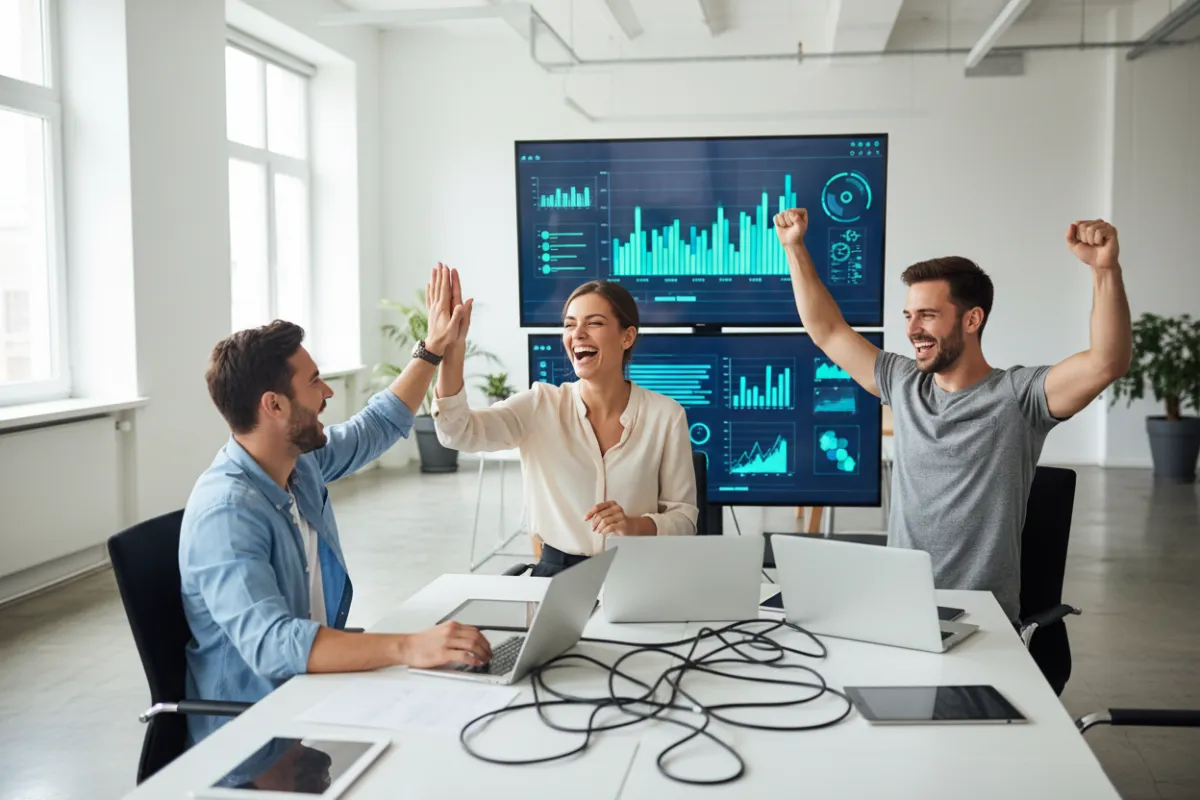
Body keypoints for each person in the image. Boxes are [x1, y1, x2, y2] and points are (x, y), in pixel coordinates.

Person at [180, 264, 492, 746]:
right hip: (254, 732)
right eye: (315, 382)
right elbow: (270, 644)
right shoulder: (226, 512)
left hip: (313, 692)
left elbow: (375, 427)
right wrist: (409, 647)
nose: (328, 393)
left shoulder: (296, 465)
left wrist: (432, 349)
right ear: (275, 405)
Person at [773, 208, 1131, 622]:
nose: (912, 329)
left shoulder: (1019, 396)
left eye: (927, 315)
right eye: (909, 315)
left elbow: (1107, 362)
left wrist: (1105, 270)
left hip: (982, 618)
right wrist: (794, 247)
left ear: (972, 319)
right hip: (901, 606)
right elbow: (828, 330)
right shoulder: (902, 382)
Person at [433, 278, 698, 576]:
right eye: (570, 325)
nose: (578, 334)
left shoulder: (666, 415)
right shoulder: (539, 405)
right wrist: (452, 352)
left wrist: (632, 525)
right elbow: (457, 431)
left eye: (594, 323)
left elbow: (684, 519)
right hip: (556, 576)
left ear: (627, 337)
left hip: (637, 573)